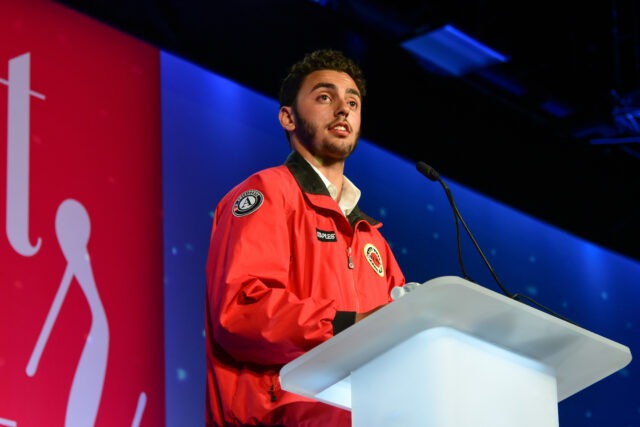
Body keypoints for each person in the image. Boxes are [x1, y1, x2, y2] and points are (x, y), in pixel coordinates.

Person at [204, 48, 406, 427]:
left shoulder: (372, 240)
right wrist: (348, 325)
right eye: (325, 97)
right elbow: (241, 311)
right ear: (288, 117)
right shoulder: (267, 193)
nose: (343, 110)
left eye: (352, 101)